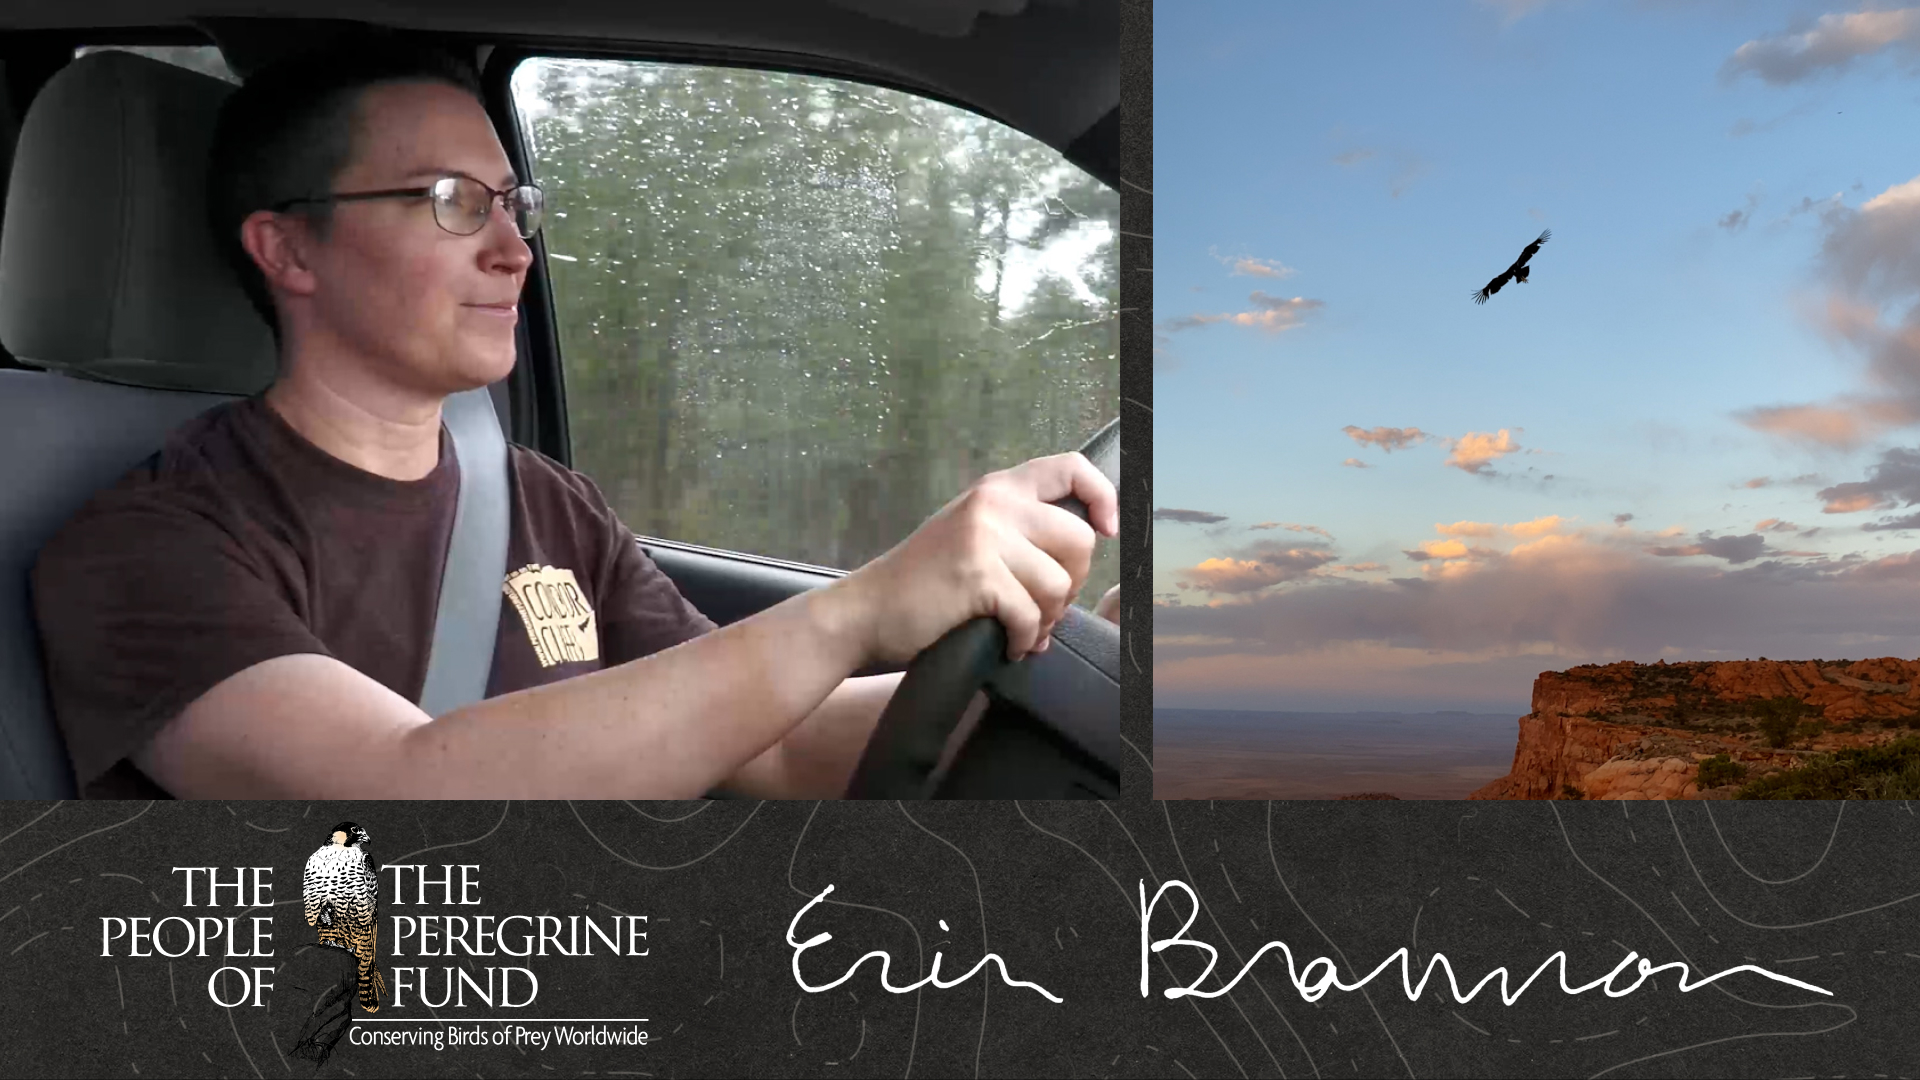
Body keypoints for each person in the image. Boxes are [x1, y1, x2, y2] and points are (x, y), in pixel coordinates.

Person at [29, 38, 1118, 800]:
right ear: (288, 249)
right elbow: (394, 799)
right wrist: (857, 612)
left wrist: (1061, 672)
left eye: (515, 204)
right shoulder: (147, 549)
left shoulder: (545, 502)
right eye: (453, 202)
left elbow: (773, 749)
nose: (515, 250)